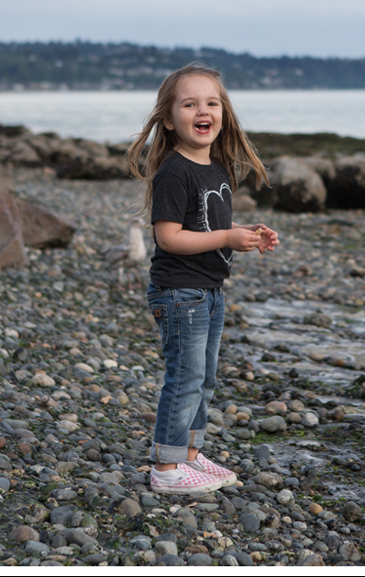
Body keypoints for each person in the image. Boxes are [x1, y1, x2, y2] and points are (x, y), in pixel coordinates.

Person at [127, 62, 280, 494]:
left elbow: (209, 225)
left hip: (210, 292)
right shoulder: (175, 171)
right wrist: (227, 236)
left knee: (205, 378)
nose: (202, 110)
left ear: (223, 113)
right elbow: (170, 238)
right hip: (180, 292)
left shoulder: (217, 167)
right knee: (185, 378)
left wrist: (245, 235)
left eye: (211, 102)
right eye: (189, 103)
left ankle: (190, 455)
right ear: (169, 119)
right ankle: (167, 468)